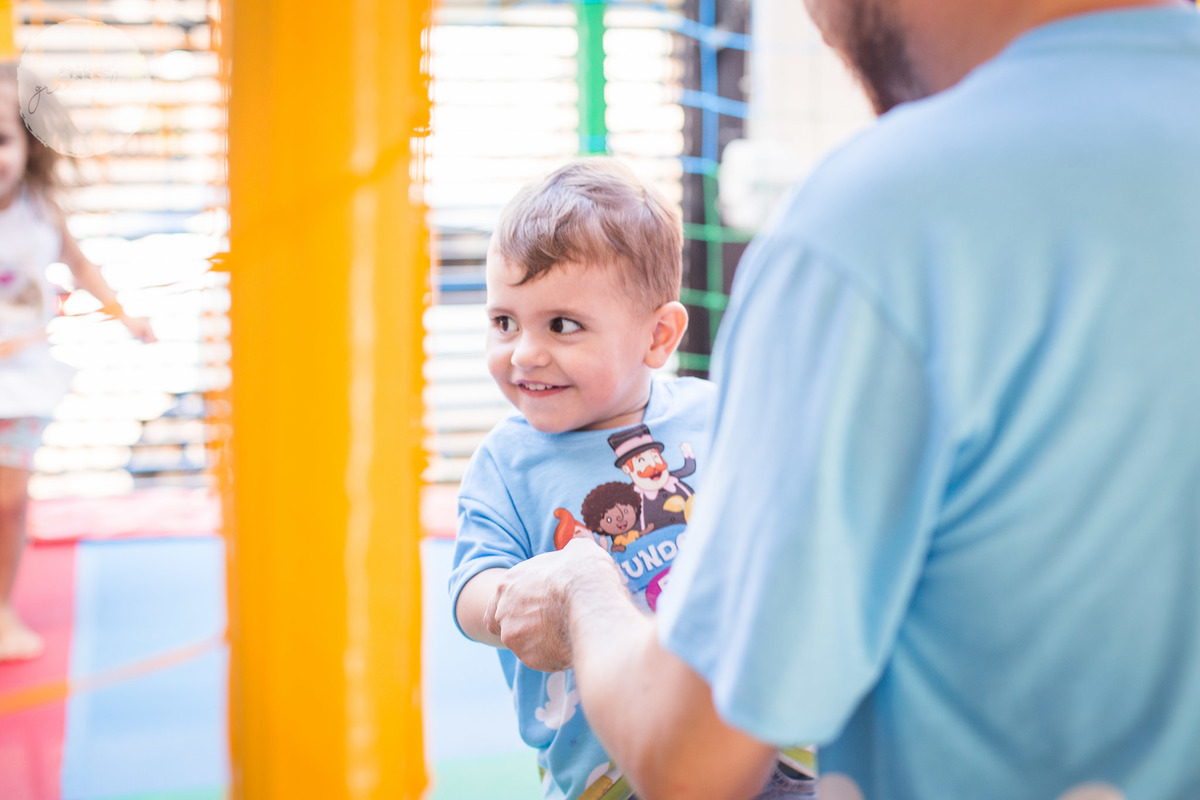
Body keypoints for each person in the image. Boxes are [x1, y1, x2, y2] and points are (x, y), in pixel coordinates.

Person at [482, 1, 1200, 799]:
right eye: (503, 321)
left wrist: (582, 592)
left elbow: (689, 761)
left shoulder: (882, 223)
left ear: (660, 335)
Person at [449, 159, 816, 800]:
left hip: (759, 736)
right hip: (613, 771)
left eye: (562, 325)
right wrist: (514, 597)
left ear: (658, 335)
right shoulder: (507, 462)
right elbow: (470, 589)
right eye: (503, 322)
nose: (524, 352)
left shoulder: (712, 413)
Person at [0, 61, 155, 661]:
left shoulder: (40, 210)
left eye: (2, 140)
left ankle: (2, 609)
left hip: (21, 382)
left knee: (9, 500)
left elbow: (81, 266)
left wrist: (124, 315)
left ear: (28, 147)